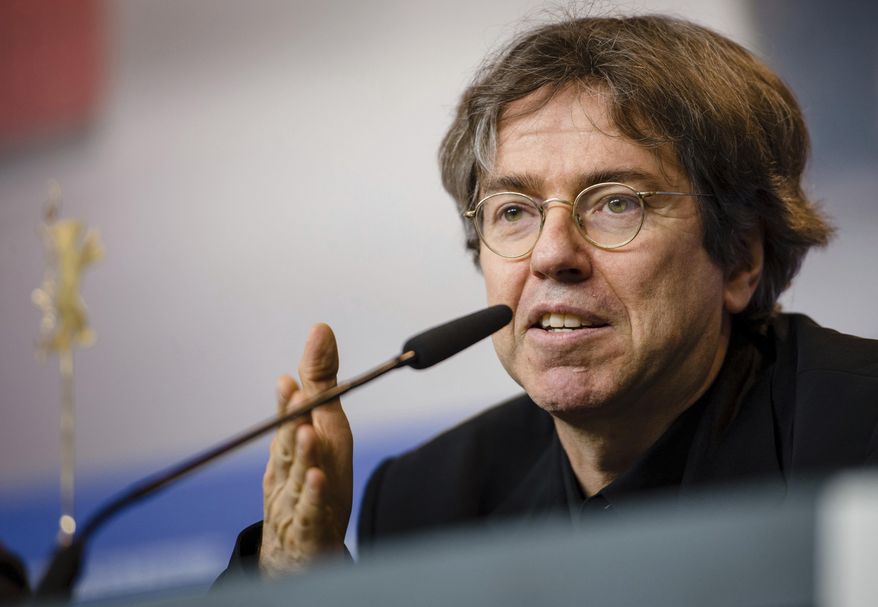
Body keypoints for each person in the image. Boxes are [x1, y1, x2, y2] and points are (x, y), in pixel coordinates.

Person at [219, 13, 878, 580]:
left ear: (740, 256)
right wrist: (302, 585)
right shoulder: (429, 501)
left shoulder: (856, 432)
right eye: (514, 211)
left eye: (617, 203)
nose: (553, 253)